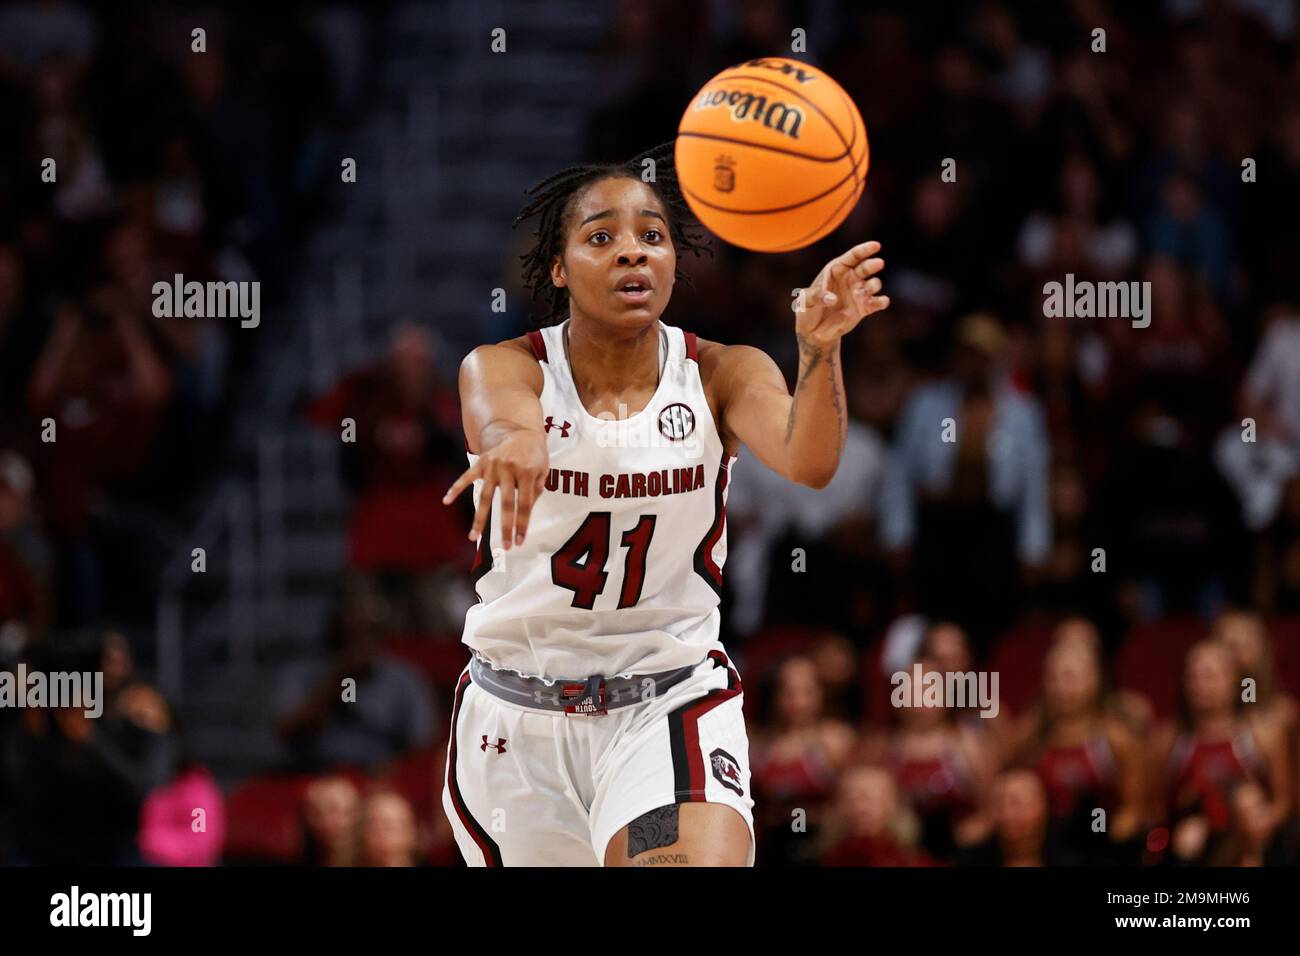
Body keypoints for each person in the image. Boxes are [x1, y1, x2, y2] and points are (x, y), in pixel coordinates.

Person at [439, 143, 890, 867]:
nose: (632, 254)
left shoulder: (722, 372)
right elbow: (501, 418)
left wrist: (818, 350)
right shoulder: (505, 366)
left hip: (665, 713)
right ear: (558, 268)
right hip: (516, 728)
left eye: (652, 236)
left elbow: (810, 461)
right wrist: (515, 441)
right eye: (601, 237)